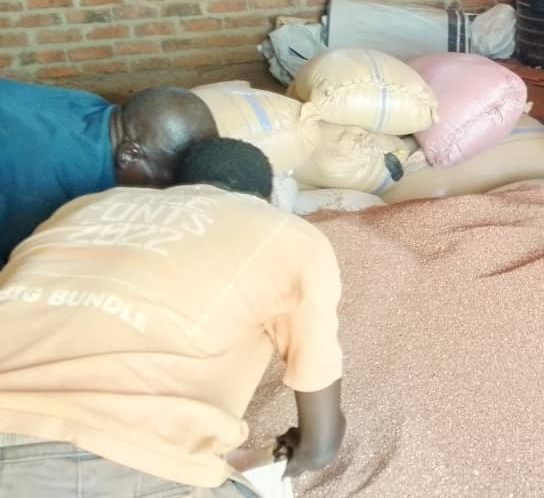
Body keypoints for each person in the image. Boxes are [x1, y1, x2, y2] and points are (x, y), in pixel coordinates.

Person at [0, 137, 346, 497]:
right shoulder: (286, 234)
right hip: (114, 464)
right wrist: (290, 450)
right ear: (267, 199)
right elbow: (319, 448)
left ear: (172, 184)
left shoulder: (81, 208)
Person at [0, 79, 218, 266]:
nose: (166, 191)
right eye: (167, 182)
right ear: (128, 155)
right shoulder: (49, 187)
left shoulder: (97, 110)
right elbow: (20, 268)